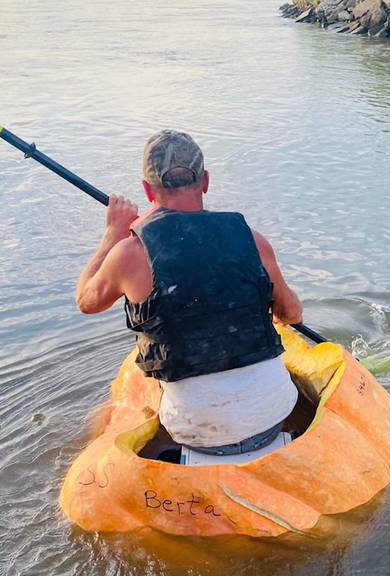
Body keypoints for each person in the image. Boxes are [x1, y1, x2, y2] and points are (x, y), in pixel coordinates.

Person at [75, 130, 303, 456]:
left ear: (146, 189)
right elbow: (292, 314)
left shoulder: (128, 253)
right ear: (206, 181)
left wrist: (112, 234)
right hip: (273, 416)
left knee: (113, 408)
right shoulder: (253, 240)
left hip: (197, 434)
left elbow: (86, 301)